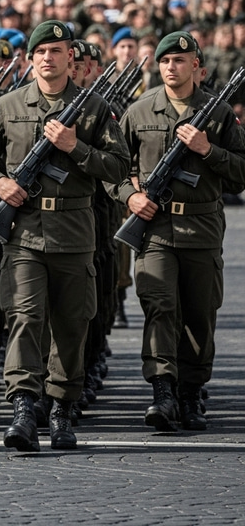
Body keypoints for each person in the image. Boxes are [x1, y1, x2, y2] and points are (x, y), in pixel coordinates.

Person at [0, 20, 129, 451]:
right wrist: (0, 184)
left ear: (70, 57)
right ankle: (23, 407)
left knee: (71, 325)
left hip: (75, 234)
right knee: (24, 316)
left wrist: (76, 147)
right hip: (22, 232)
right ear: (31, 58)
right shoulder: (9, 104)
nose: (49, 58)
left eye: (58, 51)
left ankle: (61, 407)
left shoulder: (93, 109)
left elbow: (117, 168)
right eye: (42, 51)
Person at [107, 32, 245, 431]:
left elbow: (240, 175)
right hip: (155, 229)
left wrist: (207, 150)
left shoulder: (217, 114)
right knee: (160, 307)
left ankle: (191, 392)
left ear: (197, 68)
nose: (172, 67)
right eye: (166, 61)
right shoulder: (139, 110)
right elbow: (115, 170)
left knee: (199, 314)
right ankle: (163, 391)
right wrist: (131, 198)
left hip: (202, 228)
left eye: (181, 61)